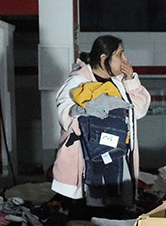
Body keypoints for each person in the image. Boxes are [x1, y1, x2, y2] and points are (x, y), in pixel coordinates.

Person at [51, 35, 151, 207]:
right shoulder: (78, 82)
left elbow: (138, 111)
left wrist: (130, 81)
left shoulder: (119, 83)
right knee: (87, 209)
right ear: (104, 58)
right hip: (87, 159)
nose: (125, 60)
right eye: (120, 55)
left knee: (115, 208)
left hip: (117, 157)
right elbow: (66, 115)